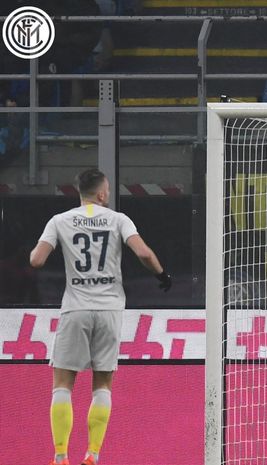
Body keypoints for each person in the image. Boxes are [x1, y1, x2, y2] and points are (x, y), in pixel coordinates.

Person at [29, 169, 172, 465]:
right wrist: (162, 274)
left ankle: (59, 455)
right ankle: (93, 453)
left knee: (62, 384)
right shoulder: (118, 219)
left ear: (79, 192)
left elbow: (36, 259)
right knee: (103, 385)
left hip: (75, 309)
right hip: (109, 310)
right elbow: (144, 253)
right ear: (103, 194)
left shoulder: (60, 221)